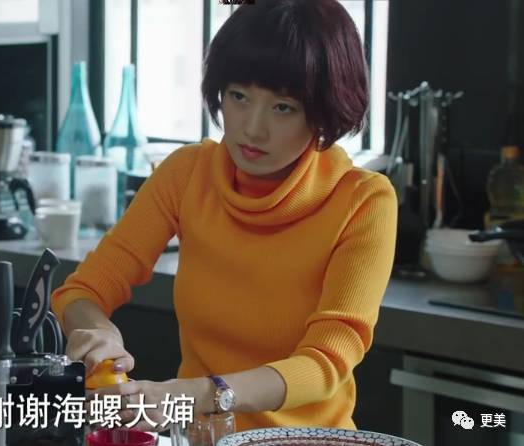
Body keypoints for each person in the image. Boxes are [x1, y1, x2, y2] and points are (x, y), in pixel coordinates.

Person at [51, 0, 397, 433]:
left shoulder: (363, 201)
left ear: (324, 111)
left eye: (283, 107)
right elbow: (83, 289)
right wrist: (98, 333)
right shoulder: (187, 173)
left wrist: (197, 394)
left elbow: (325, 362)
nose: (252, 128)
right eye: (238, 96)